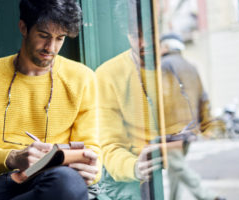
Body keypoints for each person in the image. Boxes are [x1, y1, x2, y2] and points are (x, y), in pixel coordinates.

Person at [0, 0, 101, 199]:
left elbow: (91, 147)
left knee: (67, 184)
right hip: (1, 178)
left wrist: (93, 168)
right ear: (23, 27)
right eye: (43, 36)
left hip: (53, 178)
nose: (51, 47)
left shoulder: (82, 78)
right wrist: (12, 158)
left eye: (60, 38)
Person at [96, 1, 224, 199]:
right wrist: (134, 167)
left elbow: (193, 110)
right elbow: (110, 146)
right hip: (124, 180)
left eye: (149, 33)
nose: (144, 43)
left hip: (164, 161)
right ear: (125, 34)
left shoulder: (172, 69)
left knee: (175, 174)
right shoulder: (108, 75)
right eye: (136, 35)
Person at [160, 33, 225, 200]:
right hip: (190, 129)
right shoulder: (191, 66)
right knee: (176, 170)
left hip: (172, 129)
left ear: (166, 47)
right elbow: (203, 98)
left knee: (178, 167)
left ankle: (208, 196)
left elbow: (160, 98)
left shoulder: (164, 65)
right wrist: (205, 126)